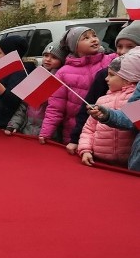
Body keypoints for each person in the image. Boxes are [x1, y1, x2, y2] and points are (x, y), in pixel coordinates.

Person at [65, 22, 140, 154]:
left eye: (130, 47)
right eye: (119, 46)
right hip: (107, 154)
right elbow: (129, 117)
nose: (122, 52)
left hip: (126, 156)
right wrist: (77, 139)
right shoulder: (104, 75)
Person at [39, 26, 116, 145]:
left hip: (107, 128)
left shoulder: (112, 60)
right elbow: (55, 107)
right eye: (86, 38)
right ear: (74, 46)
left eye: (94, 35)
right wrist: (46, 132)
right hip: (74, 131)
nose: (93, 39)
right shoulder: (63, 72)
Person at [78, 53, 139, 168]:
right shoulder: (101, 100)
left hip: (127, 164)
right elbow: (89, 129)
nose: (106, 79)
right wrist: (85, 149)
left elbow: (132, 123)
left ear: (128, 80)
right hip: (99, 161)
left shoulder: (134, 101)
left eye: (111, 75)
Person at [6, 41, 66, 137]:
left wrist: (46, 133)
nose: (48, 59)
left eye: (54, 57)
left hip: (48, 134)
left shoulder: (61, 81)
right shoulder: (36, 75)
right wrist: (14, 124)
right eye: (46, 55)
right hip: (27, 130)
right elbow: (24, 105)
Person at [0, 35, 35, 129]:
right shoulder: (4, 68)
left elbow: (14, 101)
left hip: (3, 124)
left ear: (10, 54)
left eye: (0, 52)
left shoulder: (20, 72)